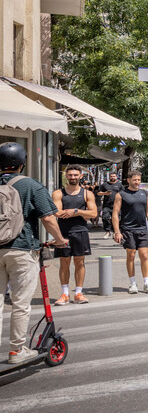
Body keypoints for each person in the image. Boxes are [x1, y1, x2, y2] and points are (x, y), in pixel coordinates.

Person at [0, 142, 69, 364]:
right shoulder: (30, 185)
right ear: (22, 163)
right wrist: (59, 240)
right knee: (20, 303)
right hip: (22, 250)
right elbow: (48, 218)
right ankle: (16, 351)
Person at [51, 165, 98, 305]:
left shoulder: (87, 194)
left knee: (80, 262)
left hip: (80, 231)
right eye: (70, 175)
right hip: (63, 232)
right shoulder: (58, 193)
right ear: (66, 176)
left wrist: (76, 211)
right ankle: (65, 294)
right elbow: (57, 212)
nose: (73, 177)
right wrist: (83, 213)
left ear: (80, 176)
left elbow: (94, 213)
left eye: (75, 175)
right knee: (64, 262)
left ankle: (78, 293)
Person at [112, 170, 148, 294]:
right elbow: (115, 214)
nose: (137, 182)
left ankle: (147, 283)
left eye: (138, 180)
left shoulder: (144, 193)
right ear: (128, 180)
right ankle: (133, 283)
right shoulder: (121, 194)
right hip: (128, 229)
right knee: (131, 255)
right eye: (134, 180)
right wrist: (117, 232)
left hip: (142, 229)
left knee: (144, 256)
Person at [96, 172, 121, 239]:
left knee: (116, 219)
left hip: (117, 205)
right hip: (107, 205)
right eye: (111, 176)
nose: (112, 177)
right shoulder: (104, 184)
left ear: (116, 177)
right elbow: (98, 193)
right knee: (105, 217)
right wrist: (105, 193)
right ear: (109, 177)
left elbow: (123, 193)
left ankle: (114, 231)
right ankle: (107, 231)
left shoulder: (119, 185)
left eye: (114, 176)